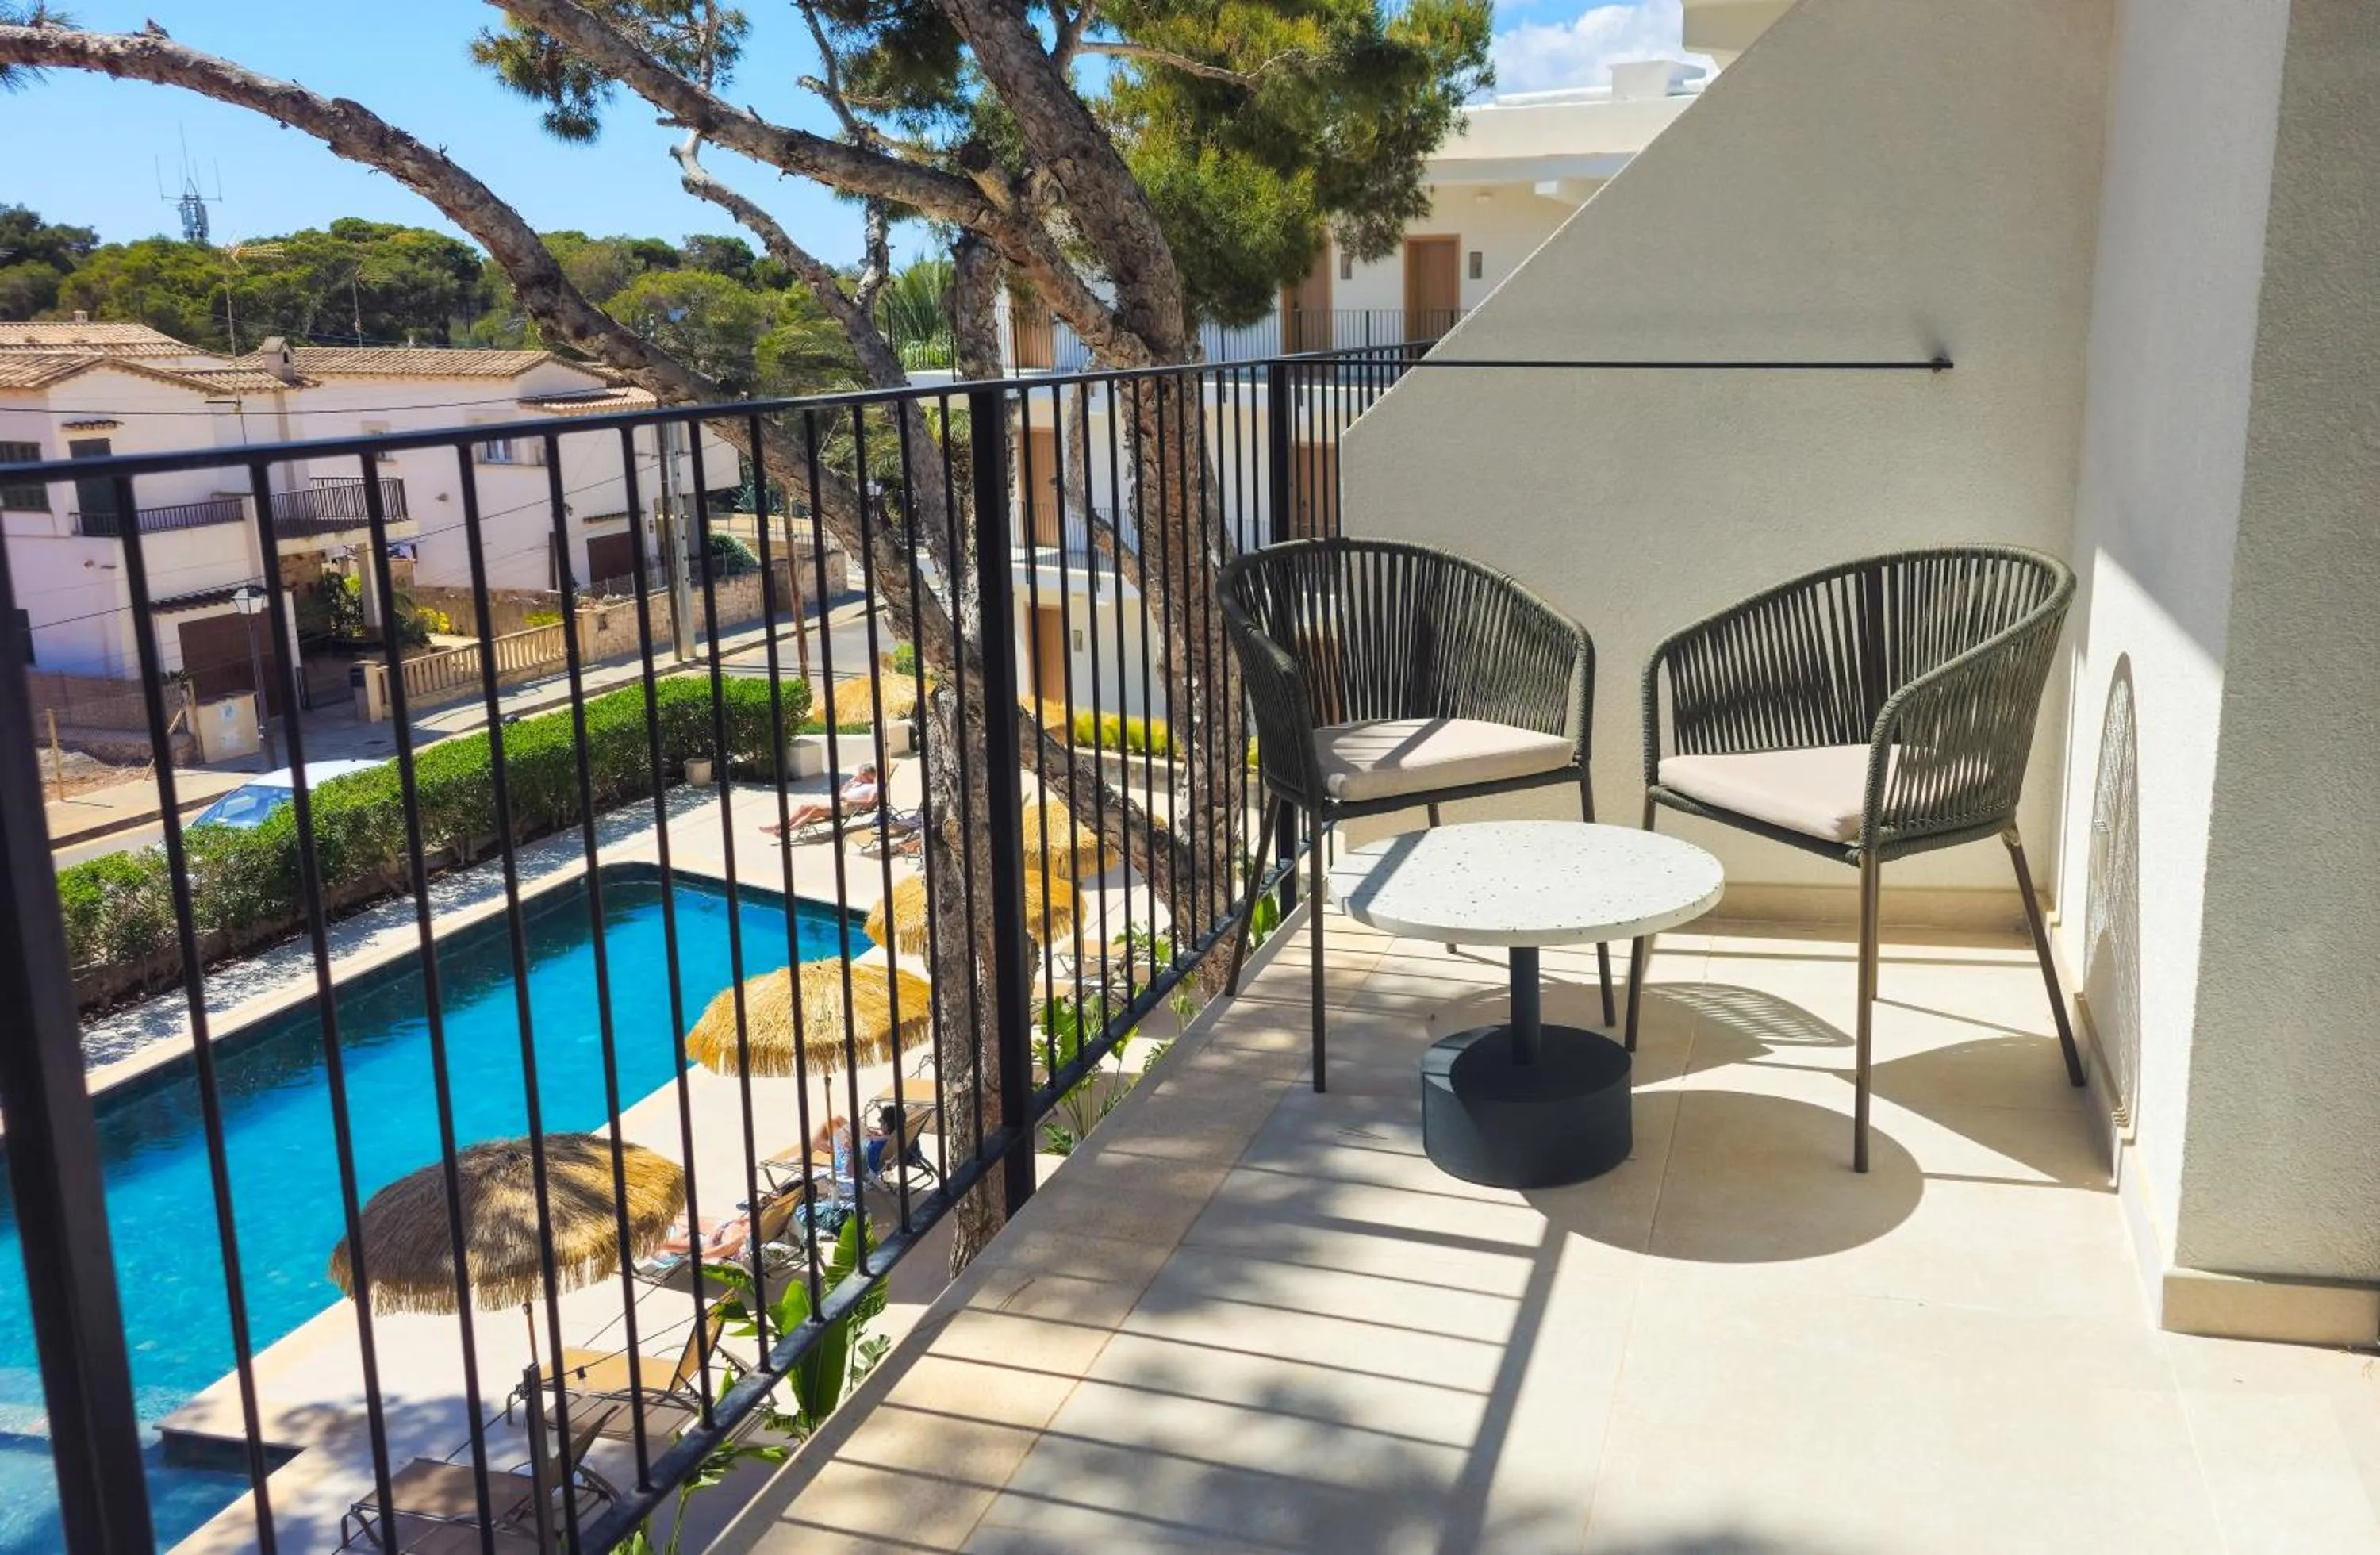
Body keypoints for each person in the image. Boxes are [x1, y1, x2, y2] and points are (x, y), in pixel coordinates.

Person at [762, 764, 880, 839]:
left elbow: (869, 803)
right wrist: (849, 783)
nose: (858, 776)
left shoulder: (874, 787)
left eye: (861, 774)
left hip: (848, 807)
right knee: (804, 807)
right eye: (859, 774)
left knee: (814, 811)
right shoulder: (858, 784)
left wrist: (850, 800)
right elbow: (840, 794)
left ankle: (788, 831)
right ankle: (777, 826)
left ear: (868, 775)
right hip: (838, 803)